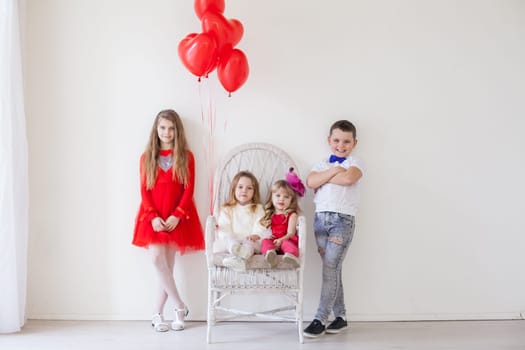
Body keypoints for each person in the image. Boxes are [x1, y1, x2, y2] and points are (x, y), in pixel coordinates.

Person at [132, 109, 205, 332]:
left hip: (177, 217)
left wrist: (178, 214)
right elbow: (144, 191)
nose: (167, 132)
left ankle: (157, 314)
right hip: (153, 215)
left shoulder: (186, 156)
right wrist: (153, 216)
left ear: (177, 131)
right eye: (163, 128)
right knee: (157, 260)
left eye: (171, 128)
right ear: (156, 129)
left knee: (168, 267)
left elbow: (188, 189)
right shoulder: (147, 157)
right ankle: (180, 306)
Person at [303, 120, 364, 338]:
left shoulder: (355, 163)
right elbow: (311, 182)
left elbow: (349, 178)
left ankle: (320, 318)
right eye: (336, 140)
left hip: (342, 221)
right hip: (320, 221)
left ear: (354, 143)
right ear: (329, 141)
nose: (341, 145)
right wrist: (334, 170)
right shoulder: (321, 164)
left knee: (330, 269)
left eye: (346, 141)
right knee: (333, 269)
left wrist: (329, 176)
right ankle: (341, 317)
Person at [215, 171, 267, 272]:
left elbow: (260, 226)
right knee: (229, 241)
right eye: (240, 187)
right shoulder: (227, 209)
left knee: (250, 245)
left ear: (254, 192)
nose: (244, 191)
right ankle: (236, 253)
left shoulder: (258, 208)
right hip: (233, 240)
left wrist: (255, 235)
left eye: (249, 188)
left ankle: (242, 257)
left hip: (250, 241)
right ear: (234, 189)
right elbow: (224, 227)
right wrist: (221, 229)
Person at [260, 168, 305, 268]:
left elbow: (291, 233)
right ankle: (270, 255)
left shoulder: (291, 215)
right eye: (278, 195)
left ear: (291, 200)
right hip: (273, 242)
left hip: (285, 239)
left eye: (286, 197)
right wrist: (268, 236)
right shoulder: (269, 214)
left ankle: (291, 256)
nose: (281, 199)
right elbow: (263, 230)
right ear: (271, 198)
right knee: (265, 242)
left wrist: (281, 240)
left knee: (287, 244)